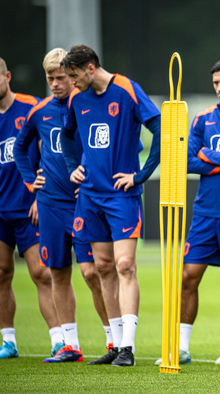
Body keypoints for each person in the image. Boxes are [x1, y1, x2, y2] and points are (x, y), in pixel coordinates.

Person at [60, 44, 161, 366]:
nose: (71, 83)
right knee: (102, 268)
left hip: (121, 195)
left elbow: (159, 127)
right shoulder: (78, 99)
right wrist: (72, 164)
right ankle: (116, 346)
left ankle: (128, 348)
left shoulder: (127, 89)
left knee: (124, 266)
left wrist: (141, 174)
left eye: (74, 76)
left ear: (90, 68)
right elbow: (66, 136)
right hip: (89, 195)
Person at [13, 48, 112, 363]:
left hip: (85, 201)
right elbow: (20, 146)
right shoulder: (39, 111)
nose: (56, 83)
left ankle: (115, 342)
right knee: (57, 271)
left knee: (93, 272)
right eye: (50, 78)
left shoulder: (89, 106)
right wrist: (31, 181)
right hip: (51, 203)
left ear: (73, 76)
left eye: (61, 77)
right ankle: (70, 345)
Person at [159, 58, 220, 367]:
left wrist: (206, 155)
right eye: (215, 83)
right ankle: (181, 347)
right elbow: (185, 161)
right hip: (204, 211)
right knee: (188, 276)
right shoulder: (202, 118)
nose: (219, 88)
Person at [0, 57, 64, 360]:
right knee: (1, 273)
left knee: (42, 273)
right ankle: (8, 341)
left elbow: (48, 153)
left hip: (29, 206)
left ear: (7, 76)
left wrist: (40, 195)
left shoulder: (31, 107)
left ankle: (58, 339)